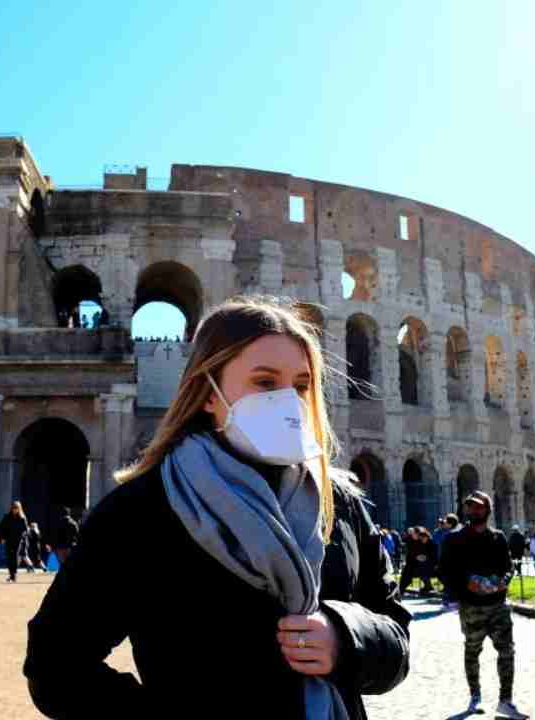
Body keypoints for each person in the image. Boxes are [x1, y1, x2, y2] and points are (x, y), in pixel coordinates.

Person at [25, 297, 411, 719]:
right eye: (265, 383)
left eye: (300, 385)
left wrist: (346, 635)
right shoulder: (139, 512)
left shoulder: (340, 504)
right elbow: (54, 664)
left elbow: (395, 632)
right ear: (208, 393)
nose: (288, 401)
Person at [440, 492, 527, 719]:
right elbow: (445, 571)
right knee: (472, 651)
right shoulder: (455, 539)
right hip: (472, 606)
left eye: (479, 507)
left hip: (498, 605)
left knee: (507, 651)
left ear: (487, 510)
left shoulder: (498, 538)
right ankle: (475, 696)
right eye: (470, 507)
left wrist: (501, 583)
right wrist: (468, 583)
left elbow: (509, 567)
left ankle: (505, 701)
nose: (474, 511)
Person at [0, 501, 30, 583]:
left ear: (19, 509)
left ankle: (14, 574)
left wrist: (23, 536)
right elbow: (2, 528)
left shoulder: (22, 518)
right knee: (9, 556)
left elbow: (26, 530)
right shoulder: (7, 517)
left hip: (18, 540)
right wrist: (1, 538)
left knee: (15, 556)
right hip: (8, 539)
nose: (15, 510)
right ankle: (11, 574)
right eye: (13, 508)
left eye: (16, 508)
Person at [399, 527, 437, 596]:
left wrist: (425, 557)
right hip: (412, 562)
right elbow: (409, 552)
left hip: (425, 562)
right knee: (407, 571)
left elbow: (430, 552)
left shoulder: (424, 539)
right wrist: (416, 556)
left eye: (413, 533)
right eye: (411, 533)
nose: (412, 535)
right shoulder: (409, 539)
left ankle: (428, 586)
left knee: (423, 568)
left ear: (418, 534)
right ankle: (401, 588)